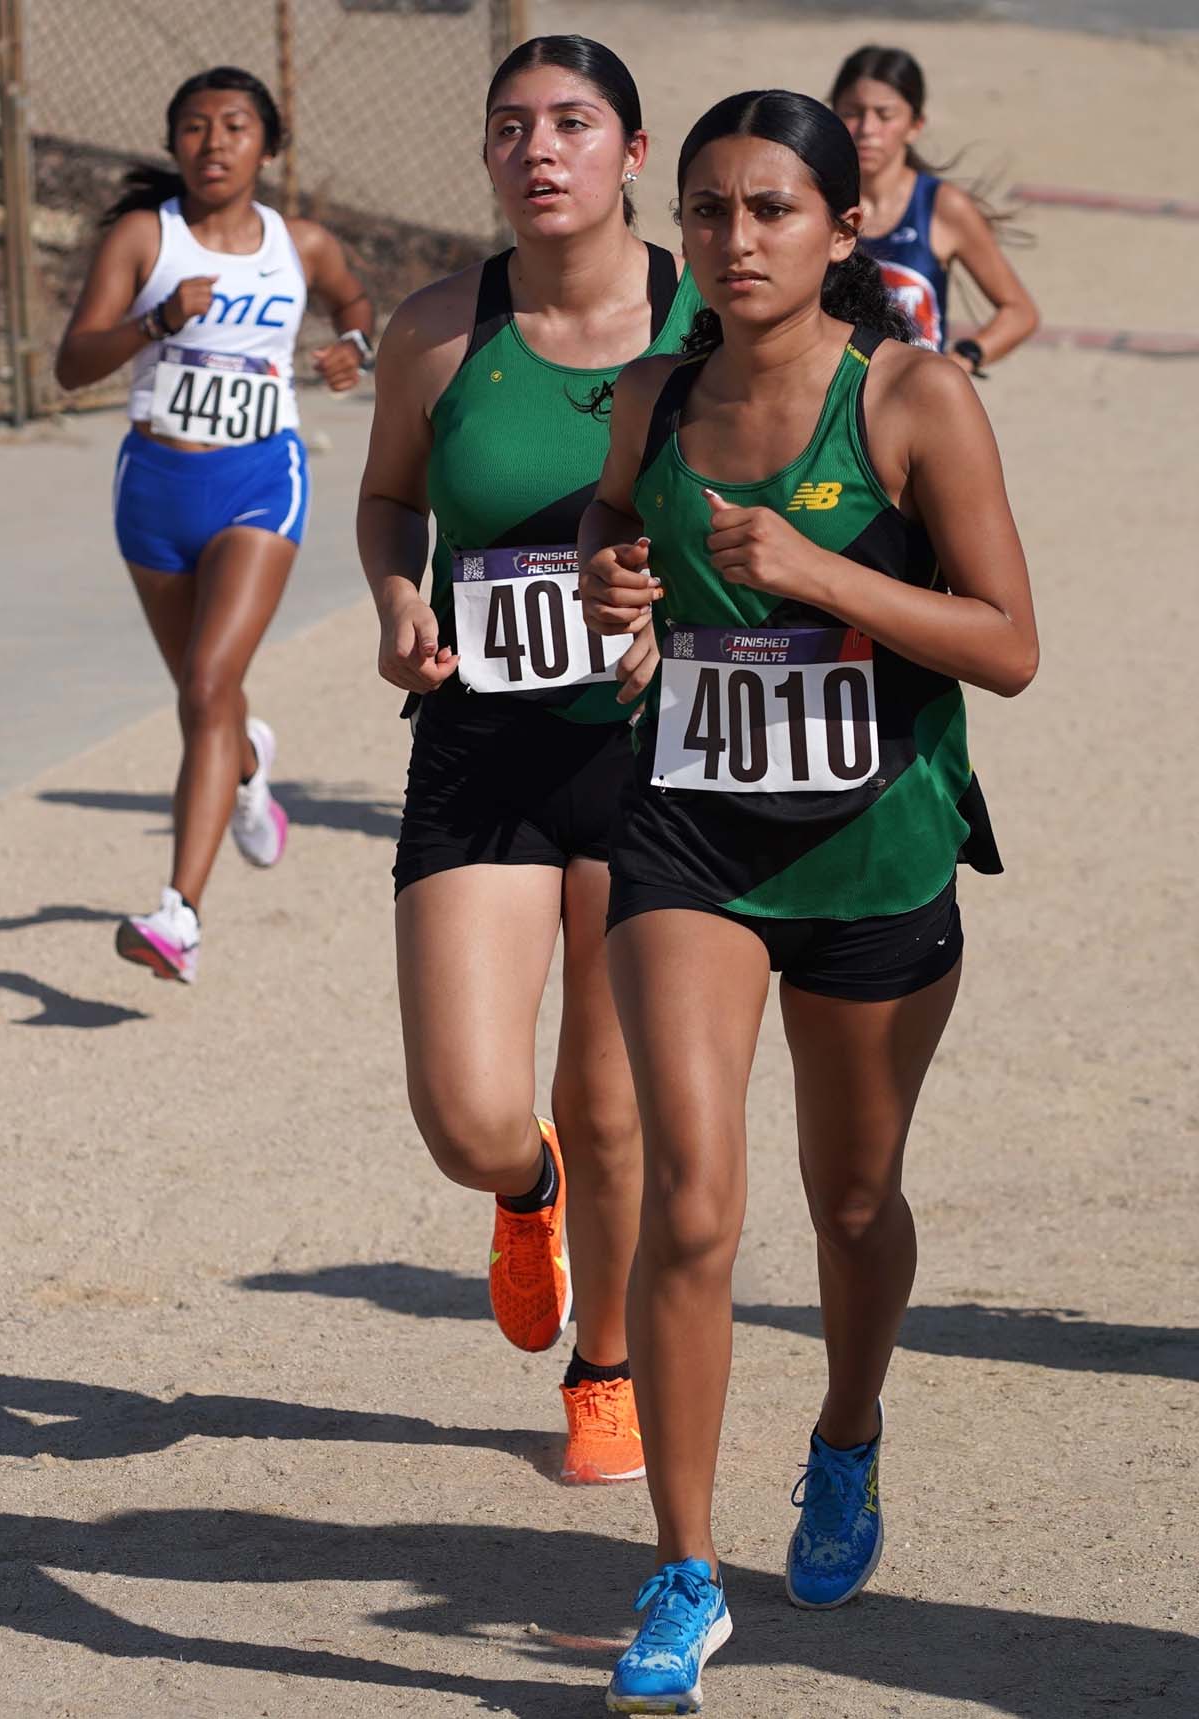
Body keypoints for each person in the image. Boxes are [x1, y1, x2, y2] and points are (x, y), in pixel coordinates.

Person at [579, 89, 1037, 1713]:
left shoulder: (911, 397)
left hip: (876, 848)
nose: (735, 237)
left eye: (773, 208)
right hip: (689, 839)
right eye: (707, 209)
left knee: (852, 1201)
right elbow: (609, 533)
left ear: (846, 229)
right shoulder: (653, 392)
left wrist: (821, 571)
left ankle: (845, 1438)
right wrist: (611, 576)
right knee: (693, 1194)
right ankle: (685, 1568)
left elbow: (1008, 641)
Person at [356, 36, 702, 1484]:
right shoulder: (438, 329)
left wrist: (679, 620)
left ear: (631, 152)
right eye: (512, 127)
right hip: (485, 737)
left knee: (621, 1092)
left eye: (573, 124)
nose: (538, 150)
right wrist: (396, 598)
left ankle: (606, 1362)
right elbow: (387, 500)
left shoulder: (713, 325)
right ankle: (525, 1182)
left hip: (657, 751)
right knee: (467, 1112)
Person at [55, 66, 373, 984]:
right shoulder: (141, 238)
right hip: (152, 487)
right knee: (207, 701)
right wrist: (154, 320)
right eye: (194, 127)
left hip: (256, 481)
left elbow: (356, 303)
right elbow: (74, 364)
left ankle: (178, 915)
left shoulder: (298, 243)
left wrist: (351, 347)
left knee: (206, 681)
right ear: (172, 146)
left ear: (267, 147)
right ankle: (245, 764)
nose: (214, 142)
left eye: (236, 125)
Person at [830, 45, 1038, 369]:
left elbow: (1019, 312)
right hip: (833, 401)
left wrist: (963, 359)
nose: (867, 129)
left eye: (885, 115)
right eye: (853, 113)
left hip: (914, 406)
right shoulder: (818, 202)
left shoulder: (942, 206)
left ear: (915, 125)